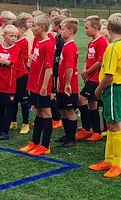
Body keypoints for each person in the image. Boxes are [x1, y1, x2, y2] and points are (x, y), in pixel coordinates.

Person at [87, 13, 121, 178]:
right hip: (116, 88)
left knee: (115, 125)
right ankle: (109, 159)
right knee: (112, 125)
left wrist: (98, 89)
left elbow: (109, 75)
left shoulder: (112, 47)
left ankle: (116, 164)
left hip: (114, 88)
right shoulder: (120, 45)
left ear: (109, 28)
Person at [18, 15, 56, 156]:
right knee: (38, 112)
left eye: (34, 26)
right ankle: (35, 142)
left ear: (42, 28)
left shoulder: (48, 44)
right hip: (33, 85)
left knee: (46, 113)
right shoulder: (36, 41)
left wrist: (45, 86)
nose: (31, 28)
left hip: (42, 86)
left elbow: (48, 68)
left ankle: (45, 145)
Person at [0, 24, 20, 140]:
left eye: (15, 36)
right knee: (0, 107)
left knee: (8, 108)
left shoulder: (15, 48)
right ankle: (1, 128)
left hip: (9, 83)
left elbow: (10, 62)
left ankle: (5, 132)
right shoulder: (0, 47)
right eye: (11, 36)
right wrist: (2, 62)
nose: (14, 38)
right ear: (4, 35)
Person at [76, 15, 106, 142]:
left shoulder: (101, 41)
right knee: (92, 103)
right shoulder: (91, 42)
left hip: (96, 78)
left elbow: (100, 61)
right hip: (90, 76)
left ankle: (87, 128)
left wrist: (87, 72)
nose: (85, 30)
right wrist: (85, 70)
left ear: (95, 28)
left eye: (87, 28)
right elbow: (89, 59)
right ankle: (95, 130)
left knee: (81, 99)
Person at [55, 18, 79, 148]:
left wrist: (67, 84)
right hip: (63, 84)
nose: (61, 32)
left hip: (68, 86)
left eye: (63, 29)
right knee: (62, 110)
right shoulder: (66, 45)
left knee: (69, 111)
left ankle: (71, 138)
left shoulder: (70, 47)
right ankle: (67, 135)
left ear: (70, 31)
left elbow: (69, 68)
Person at [9, 18, 32, 134]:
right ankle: (13, 121)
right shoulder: (12, 42)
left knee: (23, 101)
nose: (13, 34)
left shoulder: (23, 42)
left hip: (21, 74)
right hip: (13, 75)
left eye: (16, 30)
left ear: (22, 30)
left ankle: (25, 124)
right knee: (13, 99)